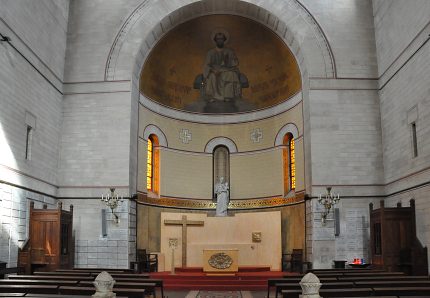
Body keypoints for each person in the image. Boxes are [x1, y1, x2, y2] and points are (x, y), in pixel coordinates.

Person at [203, 31, 241, 102]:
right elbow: (207, 65)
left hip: (226, 70)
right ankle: (213, 96)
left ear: (224, 40)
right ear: (215, 40)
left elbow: (235, 63)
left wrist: (228, 61)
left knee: (231, 74)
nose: (220, 40)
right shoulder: (210, 52)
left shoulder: (229, 51)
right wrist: (213, 70)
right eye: (218, 39)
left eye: (221, 39)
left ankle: (227, 96)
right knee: (212, 76)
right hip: (214, 70)